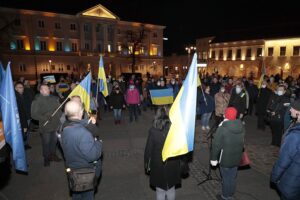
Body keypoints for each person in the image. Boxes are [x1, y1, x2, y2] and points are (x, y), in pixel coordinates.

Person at [60, 100, 102, 200]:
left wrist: (88, 123)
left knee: (76, 192)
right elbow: (93, 156)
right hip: (85, 171)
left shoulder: (63, 128)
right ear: (81, 112)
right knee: (87, 194)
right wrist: (98, 143)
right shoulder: (83, 133)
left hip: (72, 168)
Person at [144, 108, 181, 200]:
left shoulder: (153, 131)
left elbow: (148, 150)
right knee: (171, 189)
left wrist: (147, 164)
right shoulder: (174, 129)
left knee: (160, 191)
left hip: (157, 163)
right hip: (172, 161)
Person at [211, 107, 245, 200]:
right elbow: (242, 143)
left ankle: (225, 196)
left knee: (225, 178)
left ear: (226, 115)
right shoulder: (241, 126)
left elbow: (216, 145)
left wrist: (213, 159)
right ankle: (230, 194)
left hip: (225, 158)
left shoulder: (223, 128)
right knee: (232, 177)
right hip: (237, 157)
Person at [271, 100, 300, 200]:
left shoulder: (295, 135)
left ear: (298, 113)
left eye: (293, 108)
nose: (290, 109)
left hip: (292, 181)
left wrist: (275, 177)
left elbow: (284, 161)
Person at [31, 84, 62, 166]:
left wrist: (59, 117)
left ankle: (53, 155)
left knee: (54, 142)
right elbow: (33, 114)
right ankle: (46, 158)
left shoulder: (54, 98)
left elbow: (59, 110)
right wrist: (44, 118)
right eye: (45, 89)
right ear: (40, 91)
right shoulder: (37, 100)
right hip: (45, 126)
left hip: (55, 124)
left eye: (48, 89)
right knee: (46, 142)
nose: (47, 90)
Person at [15, 82, 31, 149]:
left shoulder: (24, 95)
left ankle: (26, 143)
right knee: (22, 131)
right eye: (20, 87)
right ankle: (22, 145)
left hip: (28, 116)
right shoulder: (15, 98)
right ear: (15, 88)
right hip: (21, 118)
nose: (22, 89)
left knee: (27, 131)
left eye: (22, 87)